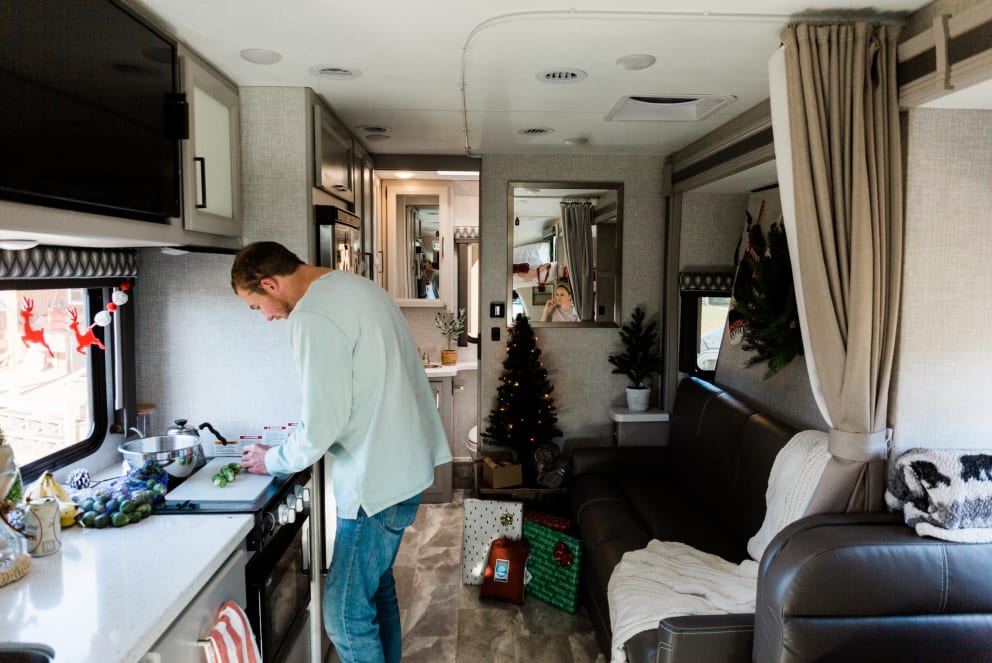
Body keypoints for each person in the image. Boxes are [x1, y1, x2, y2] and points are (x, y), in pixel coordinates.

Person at [231, 241, 451, 663]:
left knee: (344, 616)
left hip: (376, 483)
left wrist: (270, 459)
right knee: (376, 588)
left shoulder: (312, 316)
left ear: (270, 284)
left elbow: (320, 428)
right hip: (402, 468)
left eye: (257, 306)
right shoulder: (356, 287)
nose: (268, 317)